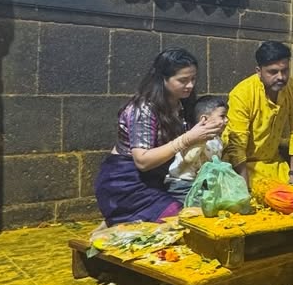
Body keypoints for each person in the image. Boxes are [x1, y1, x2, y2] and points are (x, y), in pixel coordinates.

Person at [93, 48, 221, 225]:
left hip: (161, 178)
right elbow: (142, 162)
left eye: (193, 79)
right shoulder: (143, 109)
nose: (190, 85)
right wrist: (187, 139)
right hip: (126, 183)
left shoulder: (182, 104)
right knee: (181, 221)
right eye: (183, 80)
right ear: (163, 79)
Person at [224, 41, 293, 186]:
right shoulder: (242, 93)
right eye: (273, 72)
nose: (281, 77)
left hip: (273, 163)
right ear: (259, 71)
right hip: (240, 166)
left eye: (285, 71)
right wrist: (243, 187)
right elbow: (237, 146)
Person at [165, 95, 228, 198]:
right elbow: (189, 158)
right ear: (204, 119)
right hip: (183, 184)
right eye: (222, 116)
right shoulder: (193, 137)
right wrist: (201, 142)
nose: (226, 120)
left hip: (200, 183)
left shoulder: (216, 139)